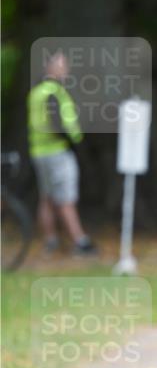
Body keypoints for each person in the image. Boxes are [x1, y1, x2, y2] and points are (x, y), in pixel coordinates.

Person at [27, 51, 97, 255]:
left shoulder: (35, 92)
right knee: (66, 198)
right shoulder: (53, 92)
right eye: (61, 65)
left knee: (47, 198)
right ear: (50, 68)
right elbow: (58, 123)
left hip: (39, 151)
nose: (65, 69)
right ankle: (80, 241)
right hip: (58, 151)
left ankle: (50, 240)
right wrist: (73, 142)